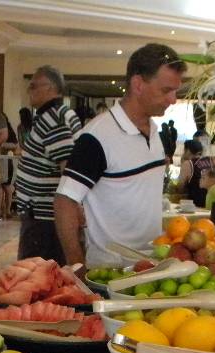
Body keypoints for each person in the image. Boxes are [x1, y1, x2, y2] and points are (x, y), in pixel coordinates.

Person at [54, 43, 186, 267]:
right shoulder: (97, 136)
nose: (173, 99)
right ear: (138, 84)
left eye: (175, 91)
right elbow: (64, 201)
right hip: (111, 272)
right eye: (166, 90)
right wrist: (77, 266)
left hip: (152, 266)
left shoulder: (154, 131)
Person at [14, 65, 81, 264]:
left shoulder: (53, 118)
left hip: (44, 217)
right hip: (47, 214)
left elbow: (68, 166)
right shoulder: (61, 113)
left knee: (36, 273)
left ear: (50, 87)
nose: (29, 90)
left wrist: (73, 208)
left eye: (33, 86)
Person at [176, 138, 215, 207]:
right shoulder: (211, 161)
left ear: (187, 150)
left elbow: (180, 186)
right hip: (212, 203)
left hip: (196, 205)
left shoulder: (188, 163)